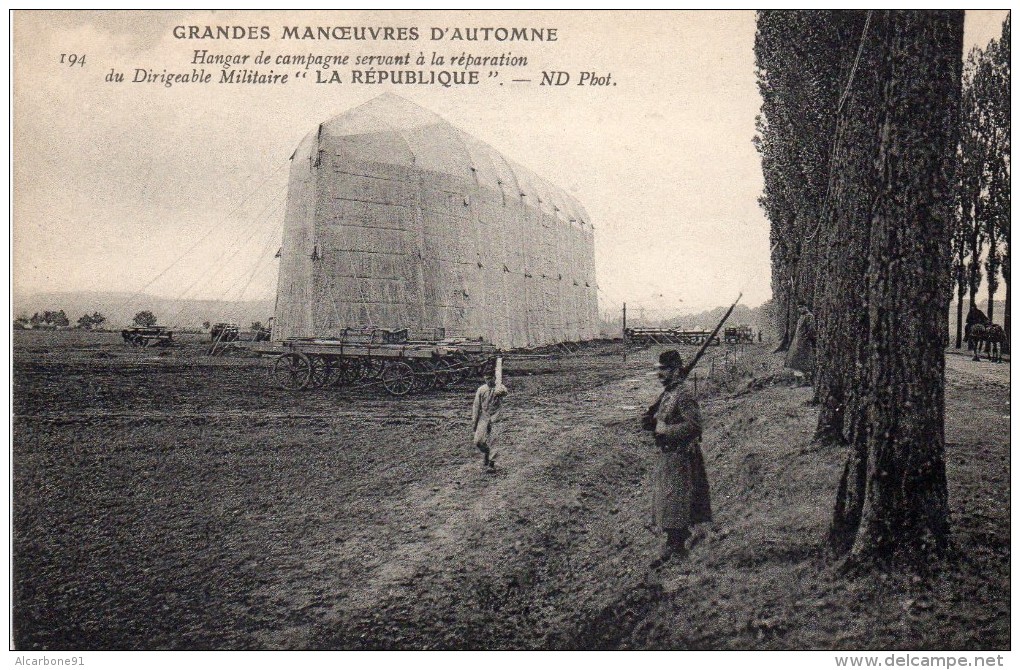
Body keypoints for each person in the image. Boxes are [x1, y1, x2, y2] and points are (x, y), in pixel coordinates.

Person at [641, 349, 712, 568]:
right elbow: (660, 419)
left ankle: (678, 549)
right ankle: (674, 544)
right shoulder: (670, 393)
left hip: (681, 456)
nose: (659, 374)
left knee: (676, 503)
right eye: (659, 369)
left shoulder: (684, 394)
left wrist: (664, 430)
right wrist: (651, 422)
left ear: (675, 371)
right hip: (669, 455)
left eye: (664, 370)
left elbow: (694, 426)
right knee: (669, 502)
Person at [472, 367, 508, 471]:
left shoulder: (499, 388)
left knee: (494, 440)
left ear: (494, 378)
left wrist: (500, 391)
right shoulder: (481, 389)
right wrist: (474, 422)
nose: (487, 381)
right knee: (478, 441)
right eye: (485, 379)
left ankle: (491, 464)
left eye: (489, 378)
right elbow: (476, 406)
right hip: (484, 417)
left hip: (496, 418)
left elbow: (505, 392)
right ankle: (486, 452)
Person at [785, 304, 816, 384]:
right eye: (798, 307)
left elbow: (811, 330)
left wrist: (805, 338)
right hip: (798, 342)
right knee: (796, 361)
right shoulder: (802, 316)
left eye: (801, 307)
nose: (799, 309)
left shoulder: (809, 316)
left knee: (805, 361)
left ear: (805, 306)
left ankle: (807, 381)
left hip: (805, 343)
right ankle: (799, 381)